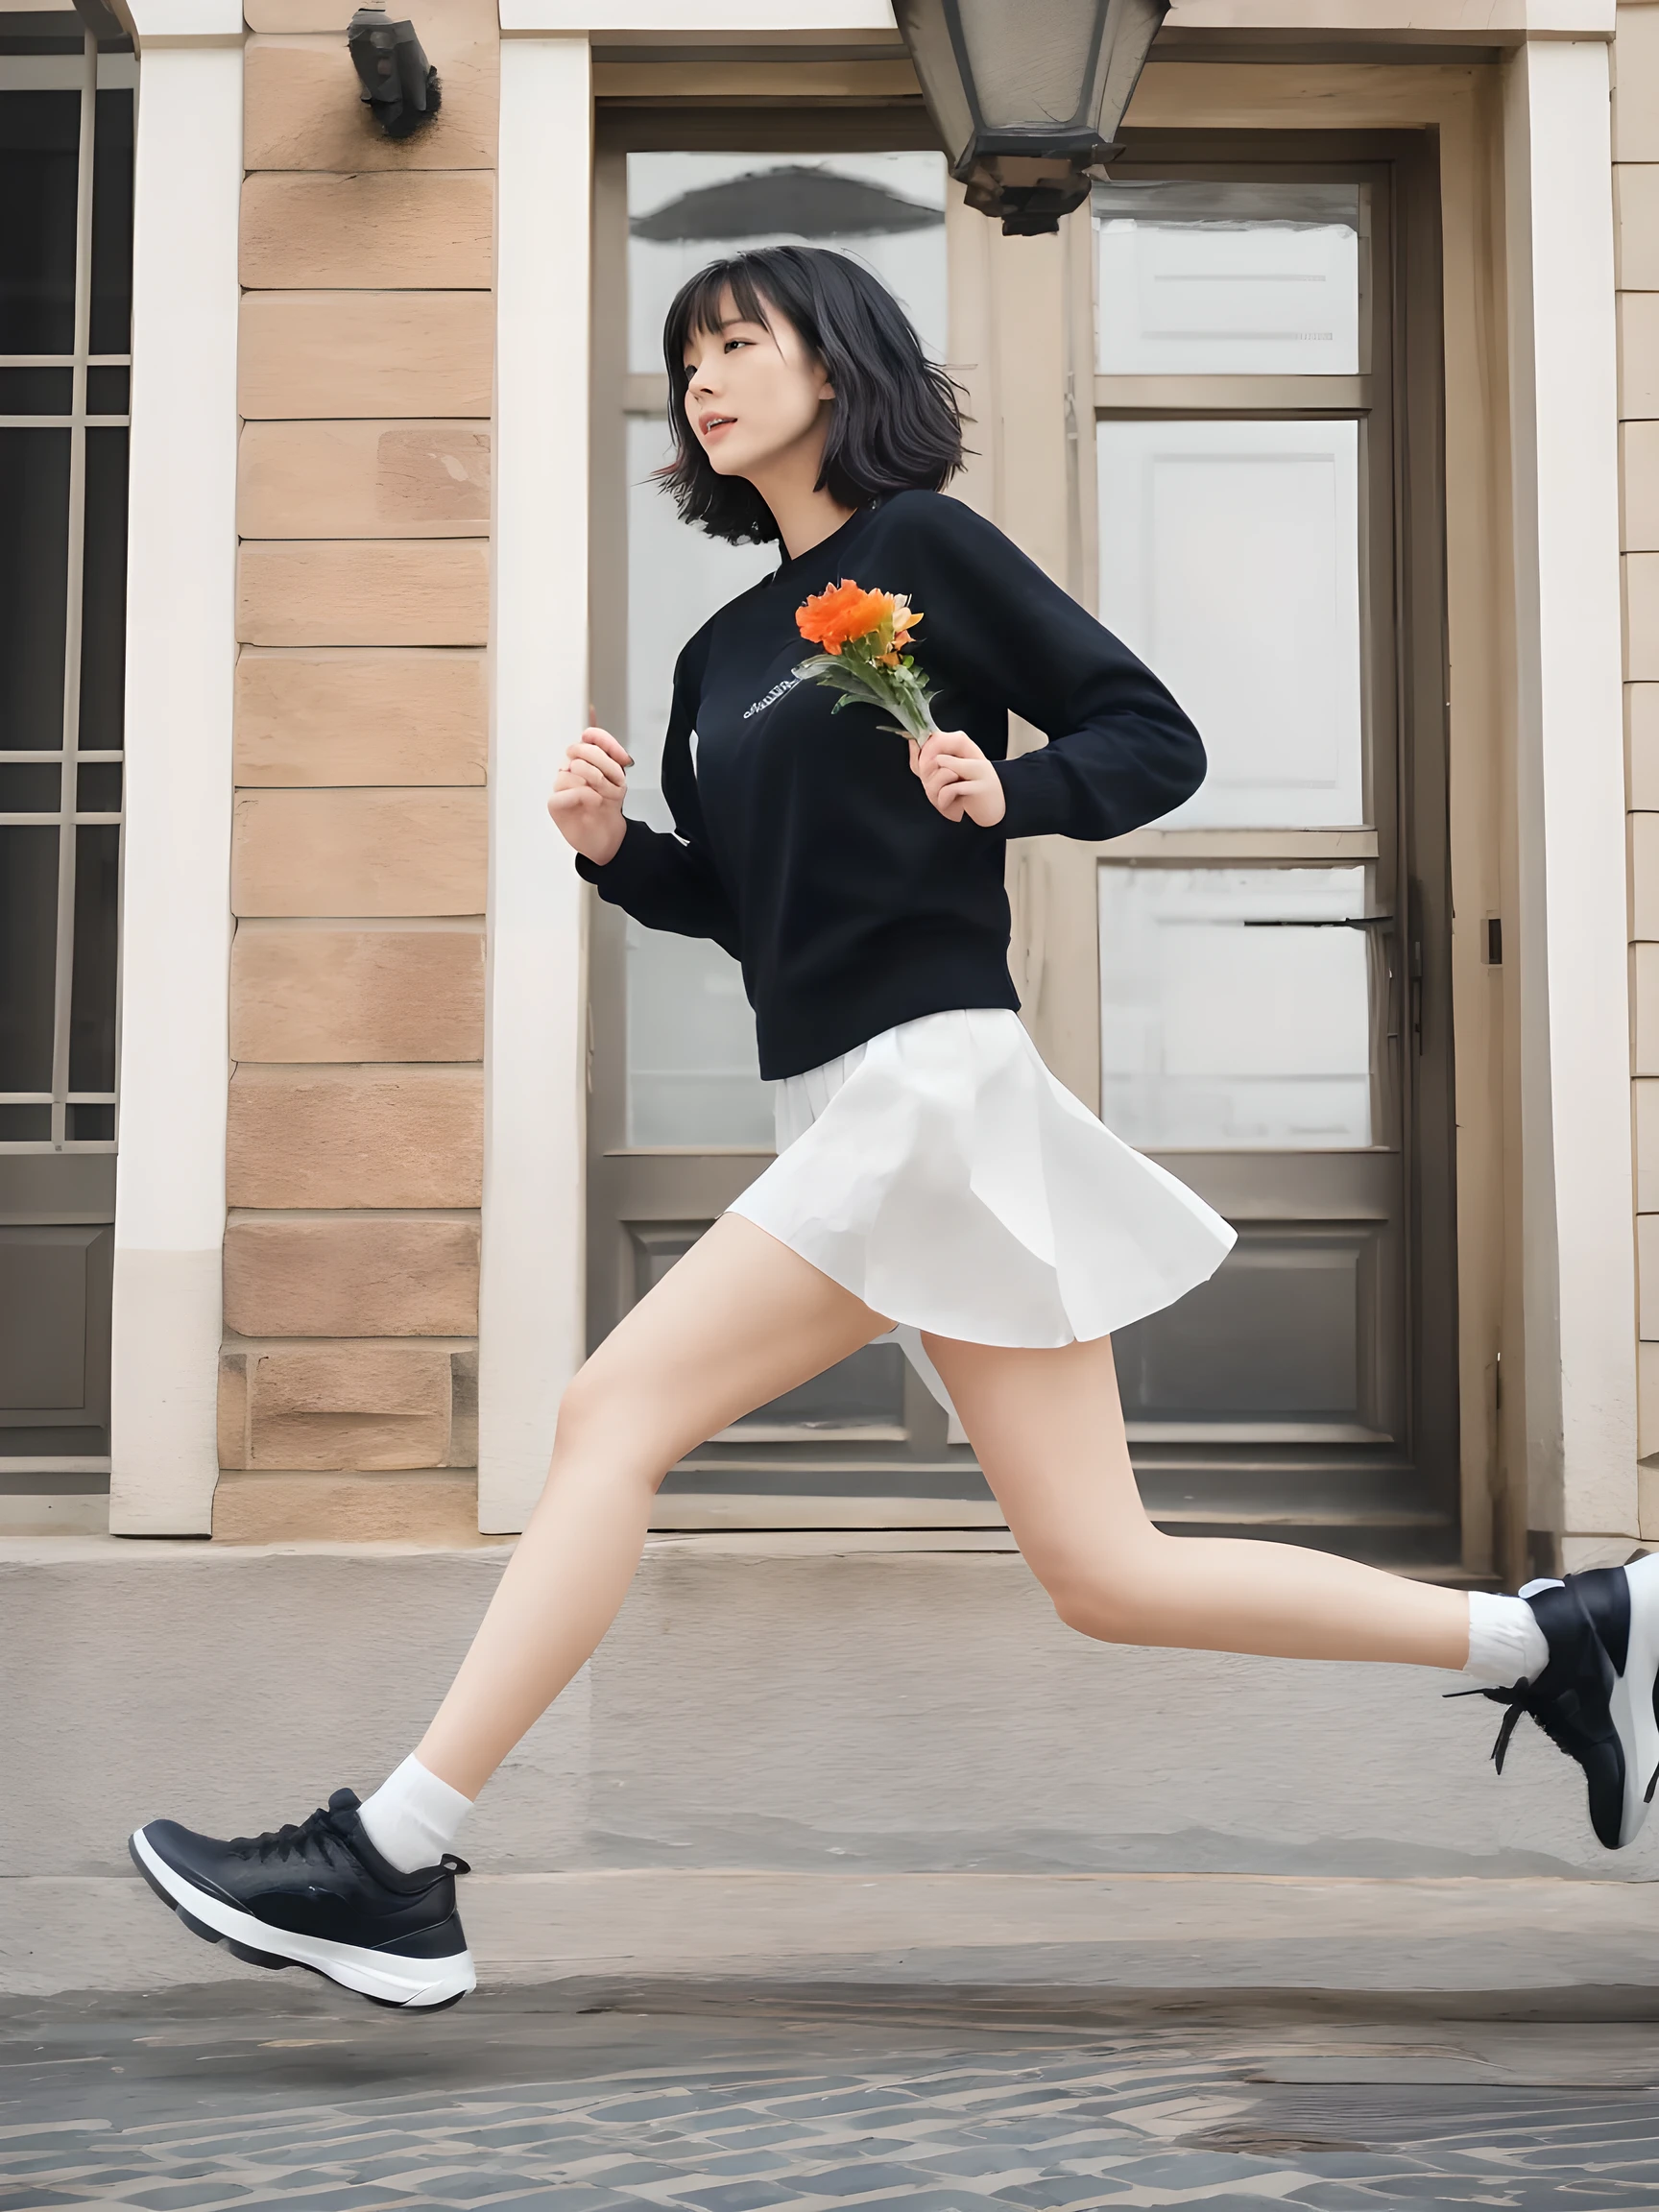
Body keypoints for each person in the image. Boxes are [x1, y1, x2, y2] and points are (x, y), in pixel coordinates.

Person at [131, 245, 1659, 2012]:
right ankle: (1557, 1636)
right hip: (838, 1101)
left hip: (932, 1085)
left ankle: (392, 1855)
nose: (703, 379)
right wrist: (616, 851)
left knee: (605, 1413)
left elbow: (1152, 738)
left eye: (739, 343)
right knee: (1104, 1572)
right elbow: (757, 914)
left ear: (835, 365)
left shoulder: (920, 553)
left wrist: (1013, 790)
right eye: (685, 355)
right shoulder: (716, 656)